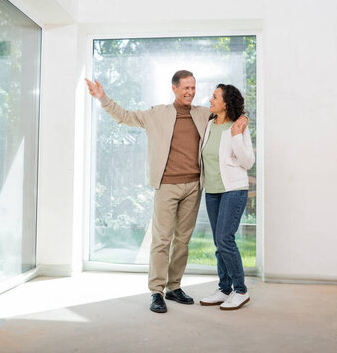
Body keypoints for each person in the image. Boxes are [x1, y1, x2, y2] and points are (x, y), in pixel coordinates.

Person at [85, 71, 247, 314]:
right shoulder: (157, 113)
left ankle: (174, 287)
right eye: (185, 88)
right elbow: (125, 116)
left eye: (193, 88)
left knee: (182, 241)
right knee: (161, 241)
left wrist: (244, 117)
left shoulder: (204, 114)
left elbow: (230, 110)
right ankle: (157, 291)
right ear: (174, 88)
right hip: (166, 186)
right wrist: (102, 97)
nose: (190, 92)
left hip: (193, 186)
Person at [198, 84, 255, 310]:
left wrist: (236, 136)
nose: (210, 100)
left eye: (214, 97)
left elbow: (248, 162)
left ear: (225, 102)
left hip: (233, 189)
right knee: (218, 243)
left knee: (225, 239)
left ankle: (240, 290)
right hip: (212, 191)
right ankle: (224, 288)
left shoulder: (238, 126)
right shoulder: (210, 125)